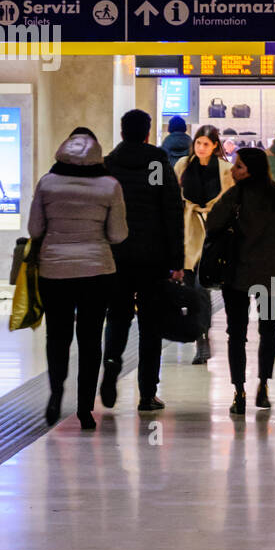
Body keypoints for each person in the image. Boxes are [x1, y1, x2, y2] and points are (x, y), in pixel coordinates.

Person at [28, 127, 127, 430]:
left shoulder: (48, 183)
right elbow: (117, 234)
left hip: (54, 271)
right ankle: (85, 409)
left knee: (56, 336)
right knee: (90, 338)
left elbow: (34, 229)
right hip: (96, 272)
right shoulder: (110, 186)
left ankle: (56, 395)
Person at [206, 146, 275, 414]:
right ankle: (263, 386)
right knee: (269, 329)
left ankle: (239, 392)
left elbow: (212, 225)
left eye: (238, 166)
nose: (233, 170)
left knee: (236, 334)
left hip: (236, 274)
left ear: (251, 170)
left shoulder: (236, 195)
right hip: (272, 277)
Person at [99, 109, 185, 414]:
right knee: (151, 325)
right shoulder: (156, 164)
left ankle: (111, 364)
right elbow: (170, 210)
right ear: (148, 133)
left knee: (118, 316)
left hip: (117, 256)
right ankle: (147, 394)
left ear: (122, 132)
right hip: (153, 258)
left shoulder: (109, 164)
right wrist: (177, 259)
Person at [174, 125, 233, 363]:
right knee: (190, 289)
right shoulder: (182, 165)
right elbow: (175, 196)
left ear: (215, 146)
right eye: (198, 143)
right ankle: (197, 334)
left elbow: (232, 201)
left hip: (213, 233)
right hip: (188, 232)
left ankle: (203, 338)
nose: (201, 148)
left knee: (201, 288)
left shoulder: (226, 170)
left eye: (206, 144)